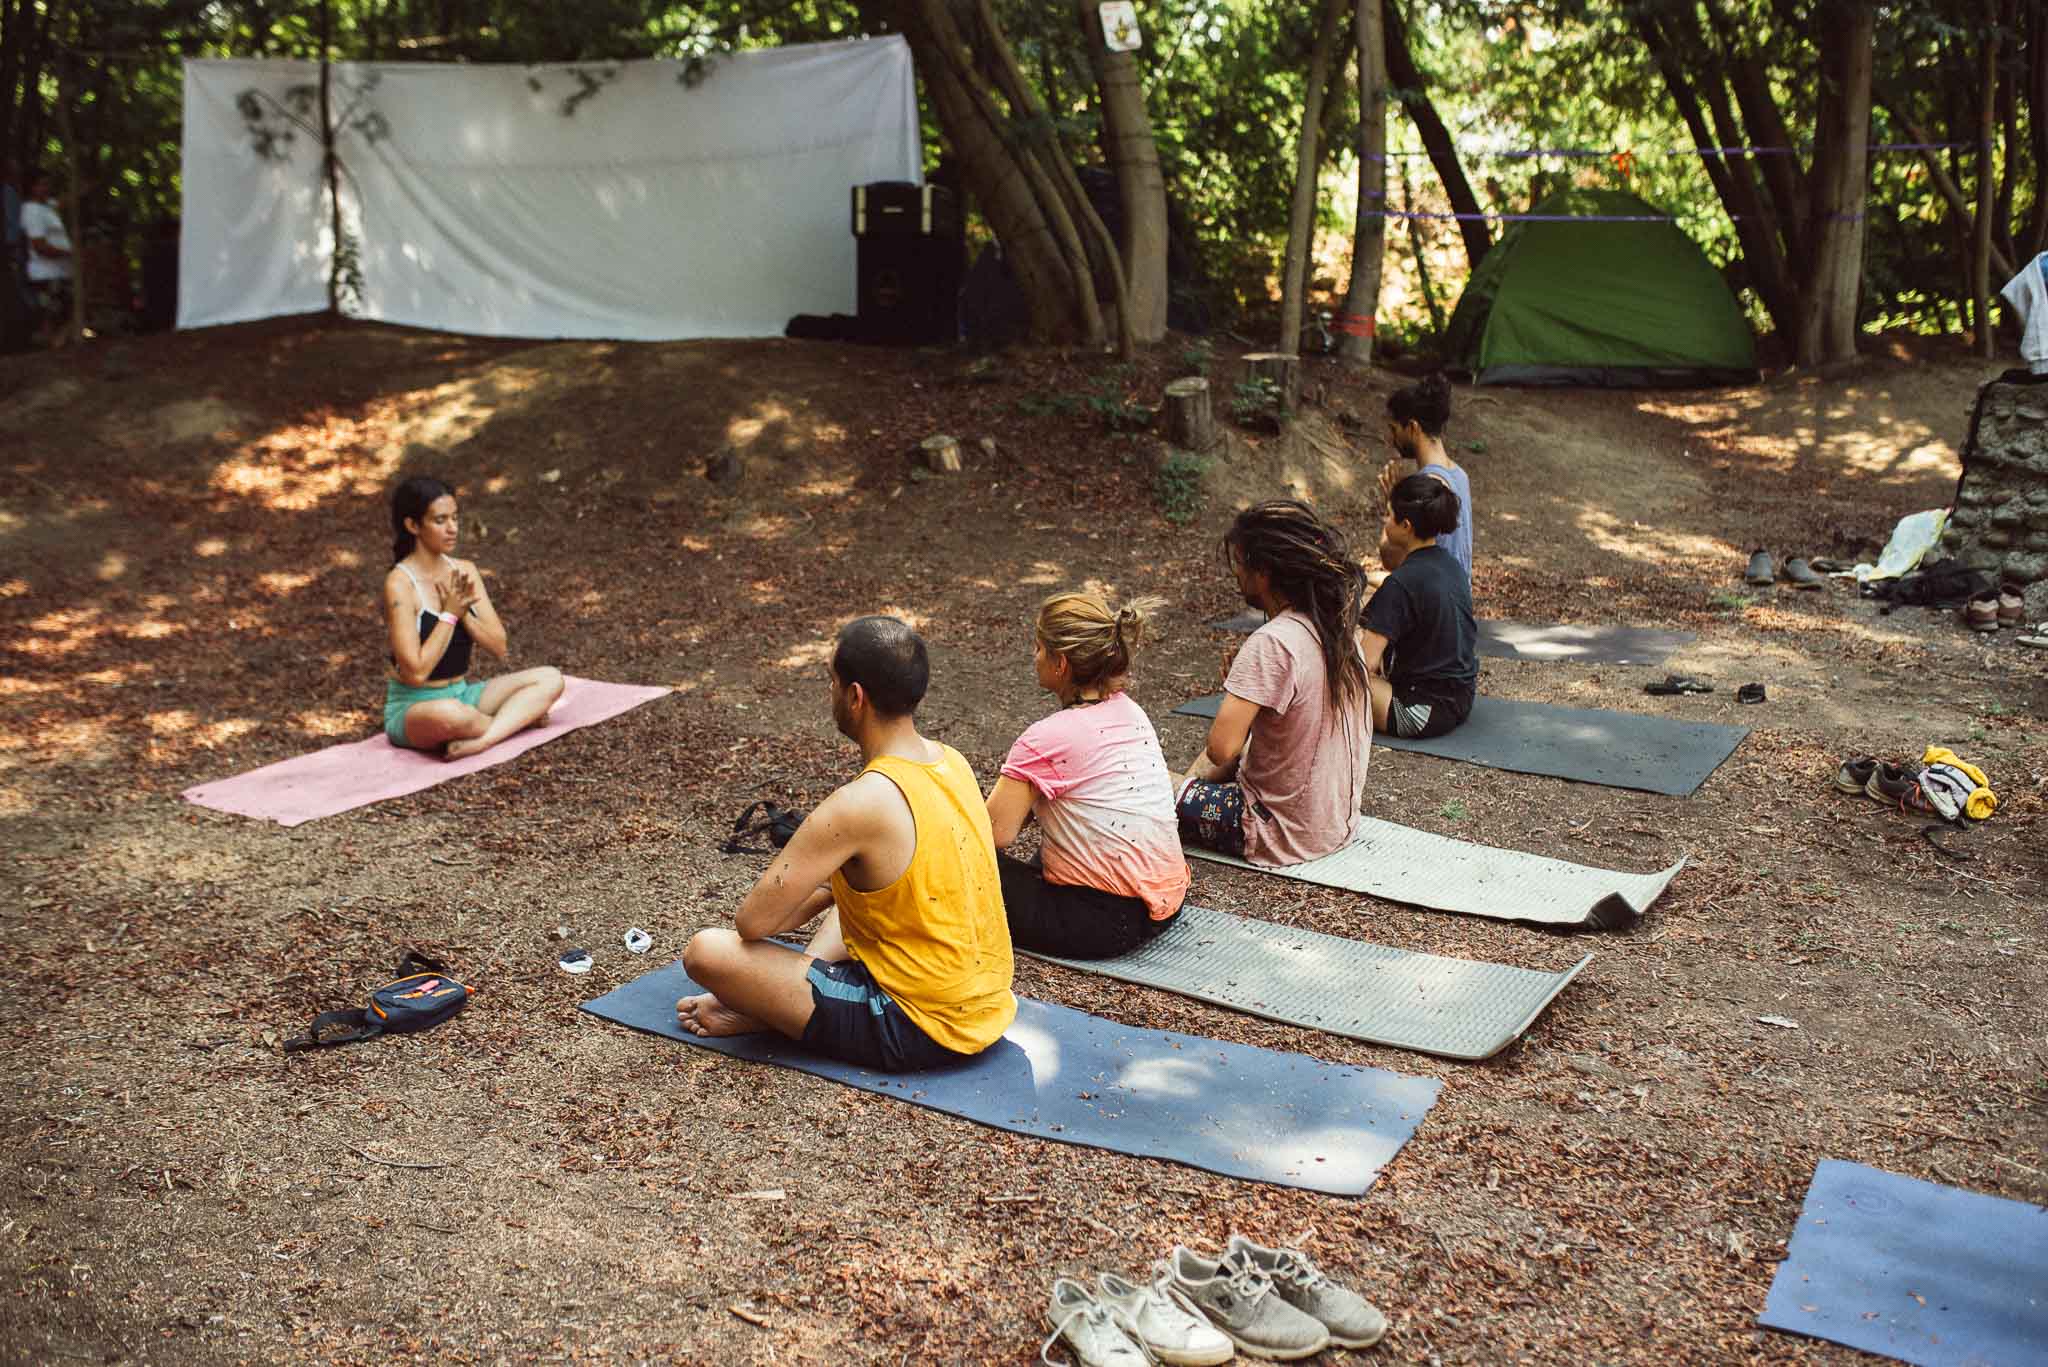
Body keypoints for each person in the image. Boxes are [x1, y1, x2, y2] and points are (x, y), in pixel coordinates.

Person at [678, 616, 1017, 1072]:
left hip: (917, 1026)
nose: (831, 693)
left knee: (707, 952)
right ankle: (782, 1000)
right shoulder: (951, 761)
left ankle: (771, 1011)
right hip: (988, 1006)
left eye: (831, 682)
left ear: (855, 696)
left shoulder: (859, 804)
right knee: (857, 891)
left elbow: (754, 923)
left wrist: (824, 880)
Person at [984, 591, 1188, 959]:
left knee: (954, 861)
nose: (1034, 658)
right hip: (1166, 903)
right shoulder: (1131, 711)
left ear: (1061, 664)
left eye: (1038, 648)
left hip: (1103, 923)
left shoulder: (1046, 738)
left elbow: (991, 835)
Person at [1179, 500, 1372, 866]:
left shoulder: (1273, 642)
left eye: (1238, 563)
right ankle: (1186, 791)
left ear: (1263, 572)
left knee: (1144, 790)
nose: (1236, 574)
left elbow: (1222, 749)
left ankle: (1181, 795)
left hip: (1277, 831)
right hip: (1333, 824)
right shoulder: (1339, 630)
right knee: (1186, 784)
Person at [382, 476, 563, 758]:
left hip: (464, 695)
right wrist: (449, 615)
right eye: (440, 520)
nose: (453, 528)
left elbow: (499, 647)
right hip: (415, 707)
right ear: (413, 525)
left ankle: (483, 739)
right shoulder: (400, 583)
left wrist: (463, 614)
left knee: (550, 678)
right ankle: (516, 720)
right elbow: (415, 674)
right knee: (451, 715)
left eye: (455, 518)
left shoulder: (465, 571)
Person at [1362, 473, 1478, 739]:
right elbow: (1412, 590)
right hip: (1461, 699)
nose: (1385, 521)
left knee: (1341, 676)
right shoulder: (1449, 566)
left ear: (1405, 525)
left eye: (1388, 515)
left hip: (1420, 713)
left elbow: (1363, 664)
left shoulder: (1401, 583)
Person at [1378, 372, 1471, 581]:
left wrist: (1392, 505)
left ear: (1412, 427)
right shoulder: (1460, 475)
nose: (1391, 438)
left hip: (1432, 607)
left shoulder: (1430, 485)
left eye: (1394, 429)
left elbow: (1391, 559)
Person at [20, 171, 71, 346]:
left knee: (62, 312)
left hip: (61, 270)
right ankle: (48, 346)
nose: (46, 188)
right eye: (41, 184)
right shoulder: (32, 211)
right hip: (45, 272)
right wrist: (69, 253)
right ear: (32, 188)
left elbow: (64, 202)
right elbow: (39, 246)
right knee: (50, 313)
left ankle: (58, 345)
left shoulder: (48, 206)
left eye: (47, 184)